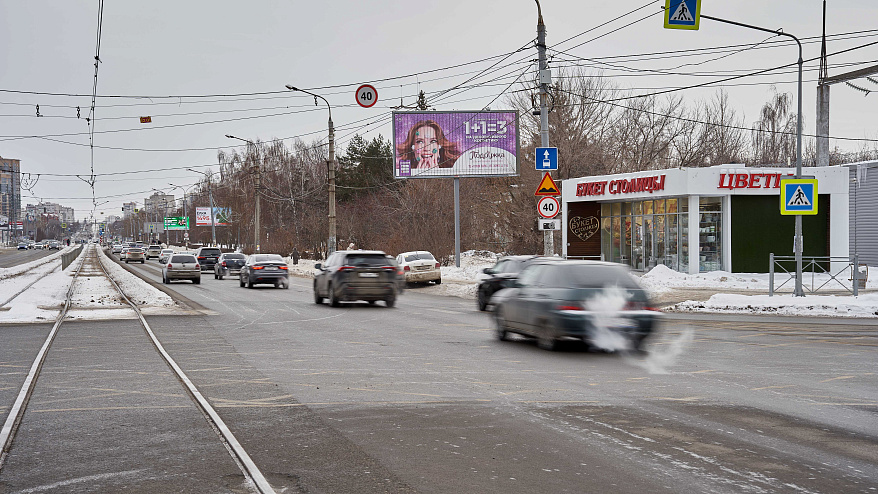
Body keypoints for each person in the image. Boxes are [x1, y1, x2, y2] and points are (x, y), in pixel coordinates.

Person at [396, 120, 461, 170]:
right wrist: (417, 176)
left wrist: (438, 176)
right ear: (413, 147)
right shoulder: (401, 170)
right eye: (420, 141)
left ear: (439, 146)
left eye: (433, 141)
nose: (426, 148)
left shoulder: (454, 168)